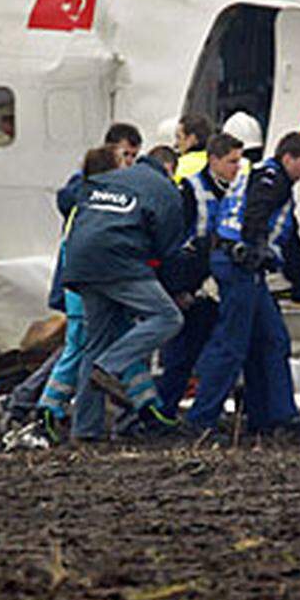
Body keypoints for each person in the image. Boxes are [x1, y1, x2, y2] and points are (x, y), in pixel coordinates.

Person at [3, 122, 146, 430]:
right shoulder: (89, 195)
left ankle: (42, 405)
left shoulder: (94, 194)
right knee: (82, 347)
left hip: (85, 282)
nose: (130, 164)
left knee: (82, 347)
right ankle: (38, 405)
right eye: (125, 156)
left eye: (134, 157)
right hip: (85, 284)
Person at [183, 131, 300, 436]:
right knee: (232, 344)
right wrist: (255, 247)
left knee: (272, 339)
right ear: (287, 158)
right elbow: (257, 211)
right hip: (238, 265)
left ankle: (275, 415)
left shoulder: (267, 179)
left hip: (241, 264)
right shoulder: (271, 179)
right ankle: (202, 419)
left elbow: (290, 238)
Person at [62, 144, 186, 440]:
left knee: (96, 341)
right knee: (169, 317)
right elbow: (168, 247)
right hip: (119, 261)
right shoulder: (165, 189)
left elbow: (72, 201)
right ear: (169, 168)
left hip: (80, 261)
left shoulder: (113, 178)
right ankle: (111, 366)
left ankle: (86, 430)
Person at [155, 131, 244, 418]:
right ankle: (161, 413)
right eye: (231, 162)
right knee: (181, 356)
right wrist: (178, 288)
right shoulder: (191, 192)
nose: (237, 168)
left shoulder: (238, 189)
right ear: (213, 160)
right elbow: (176, 243)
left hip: (222, 283)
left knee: (221, 352)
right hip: (194, 285)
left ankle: (207, 411)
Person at [173, 113, 214, 184]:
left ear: (192, 139)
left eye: (179, 137)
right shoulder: (216, 161)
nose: (175, 144)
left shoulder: (181, 166)